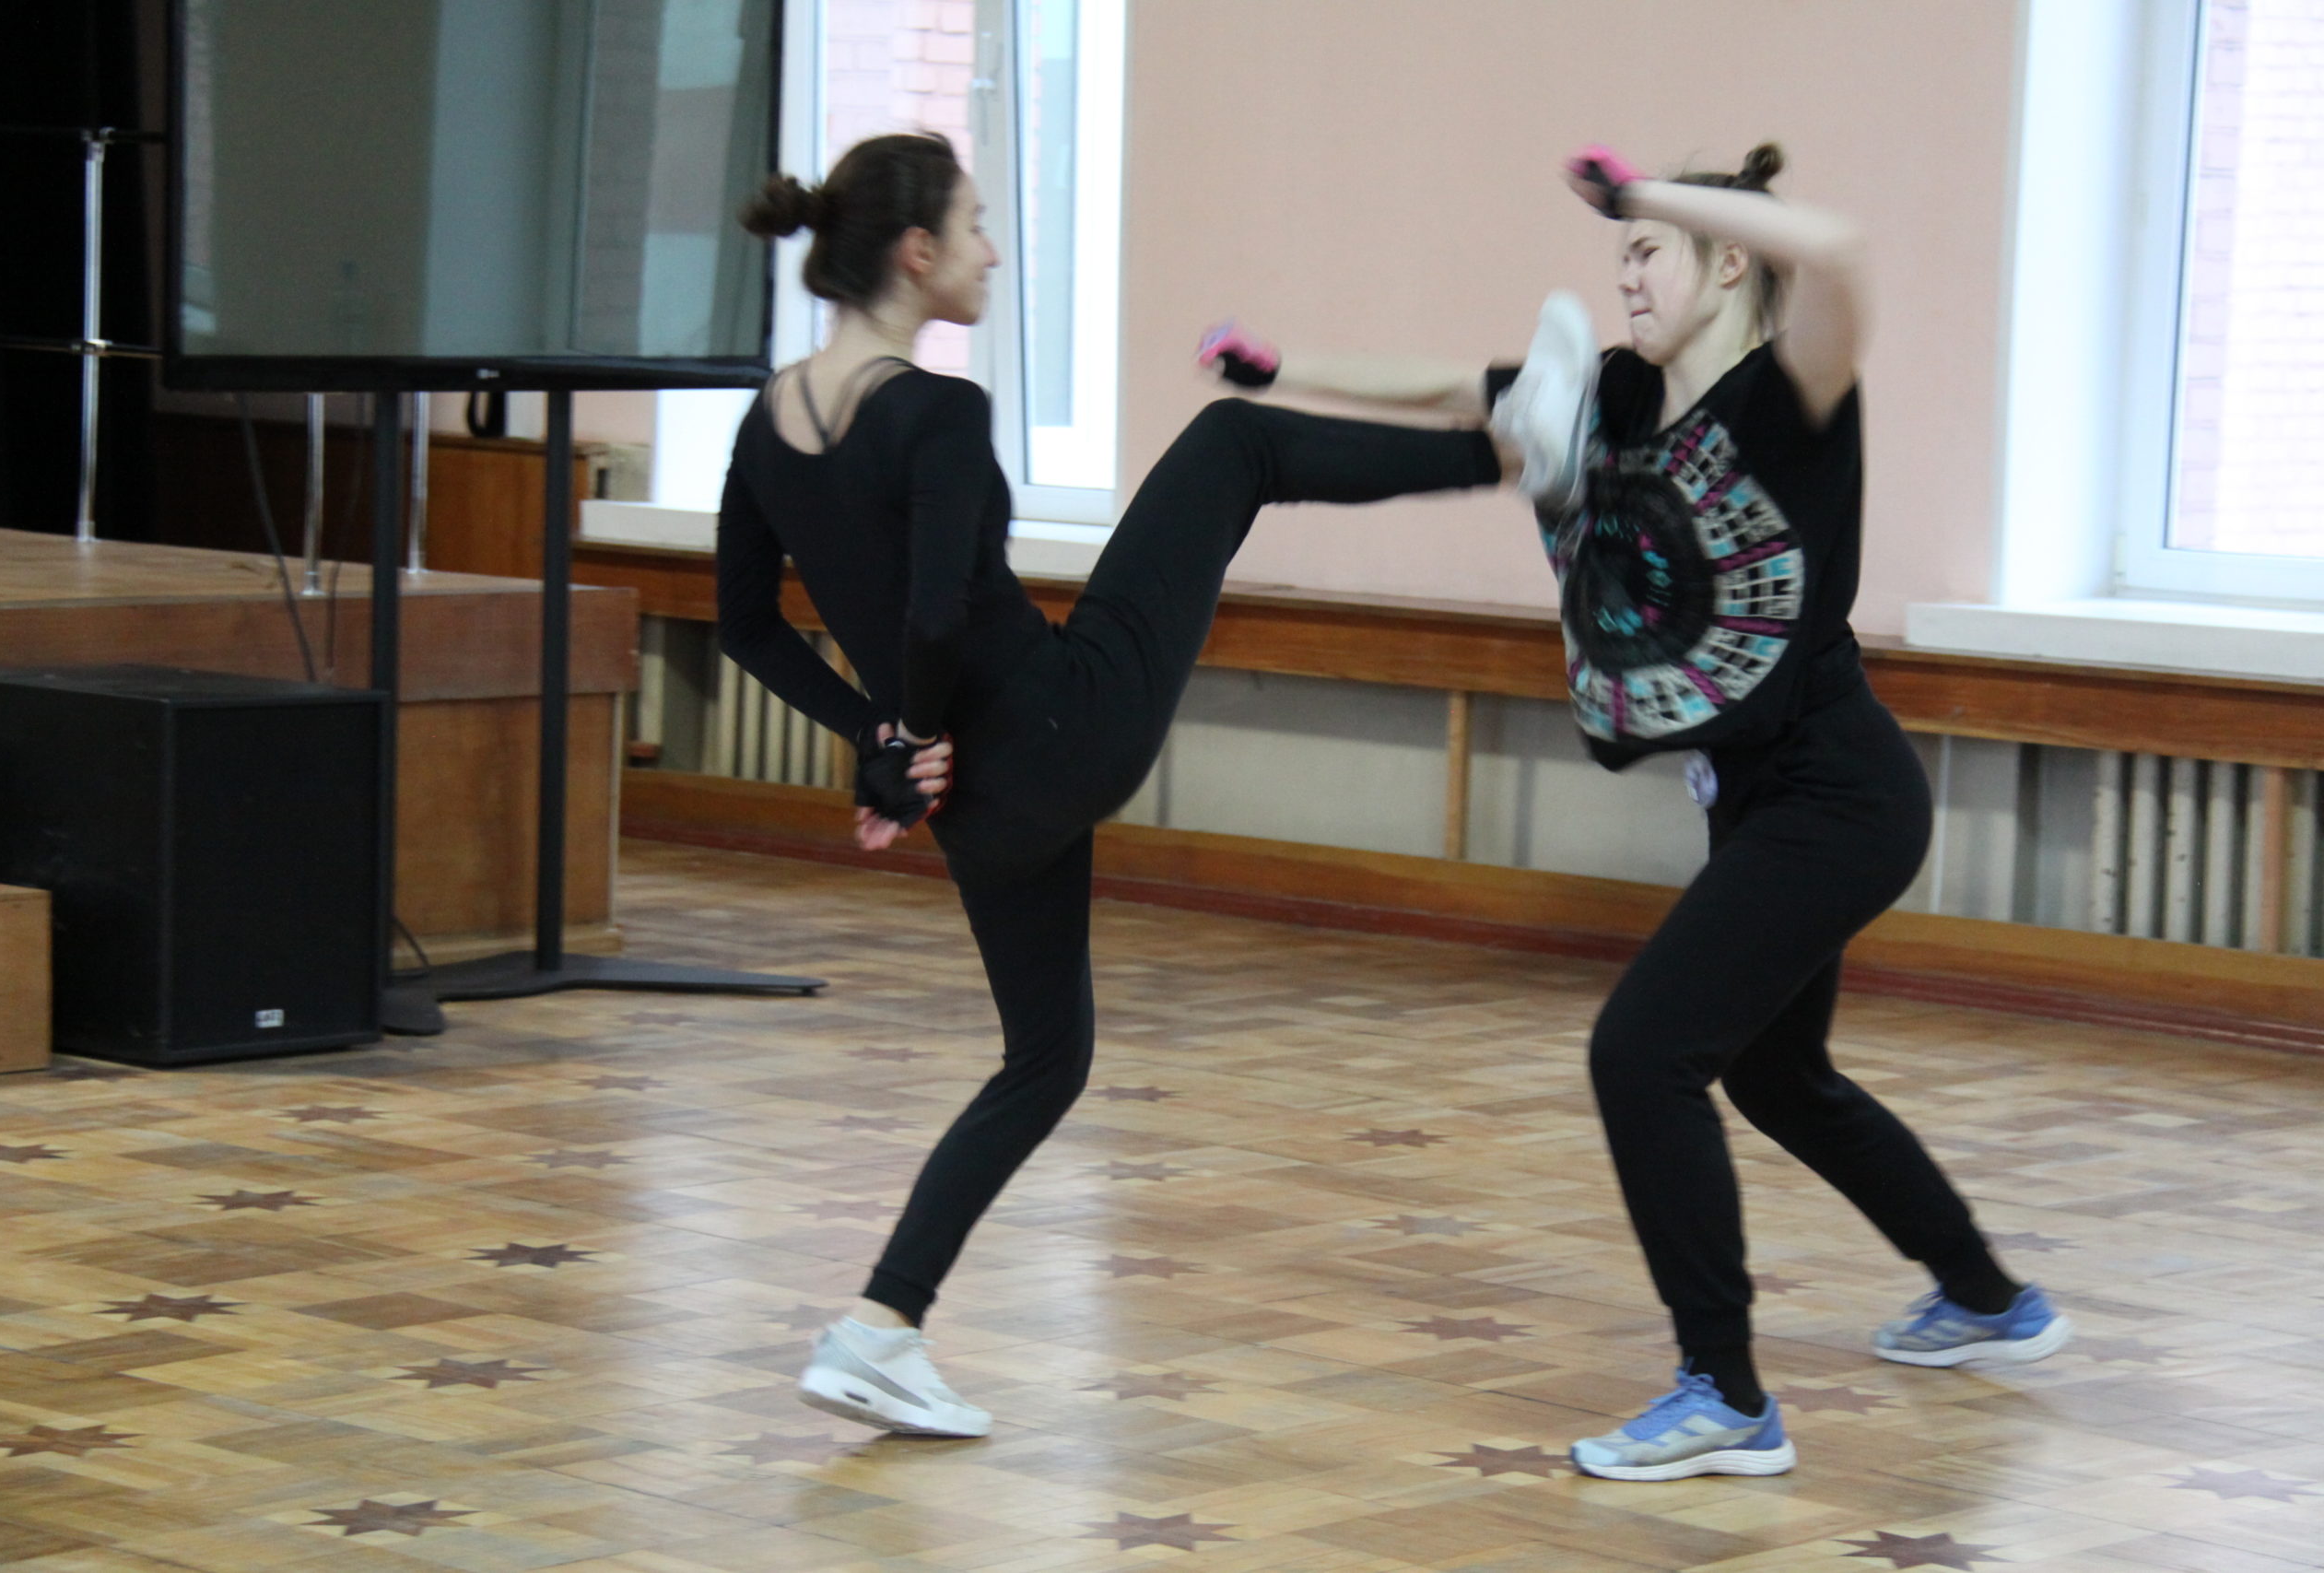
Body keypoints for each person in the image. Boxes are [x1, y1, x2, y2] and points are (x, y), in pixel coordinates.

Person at [1207, 142, 2070, 1483]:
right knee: (1776, 1074)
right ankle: (1986, 1297)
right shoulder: (1612, 398)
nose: (1626, 275)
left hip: (1841, 792)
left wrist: (1648, 190)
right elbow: (1463, 389)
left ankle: (1725, 1395)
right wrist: (1282, 370)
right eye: (1619, 253)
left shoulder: (1795, 391)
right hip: (1761, 799)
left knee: (1641, 1053)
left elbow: (1839, 253)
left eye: (1648, 253)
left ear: (1726, 261)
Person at [720, 131, 1512, 1438]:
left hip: (977, 805)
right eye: (974, 226)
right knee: (1234, 442)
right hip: (1062, 722)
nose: (989, 252)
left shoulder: (766, 423)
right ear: (915, 254)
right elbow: (933, 610)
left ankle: (877, 1329)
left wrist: (887, 744)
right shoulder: (937, 412)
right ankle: (1514, 451)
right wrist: (912, 729)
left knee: (1044, 1059)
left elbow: (748, 628)